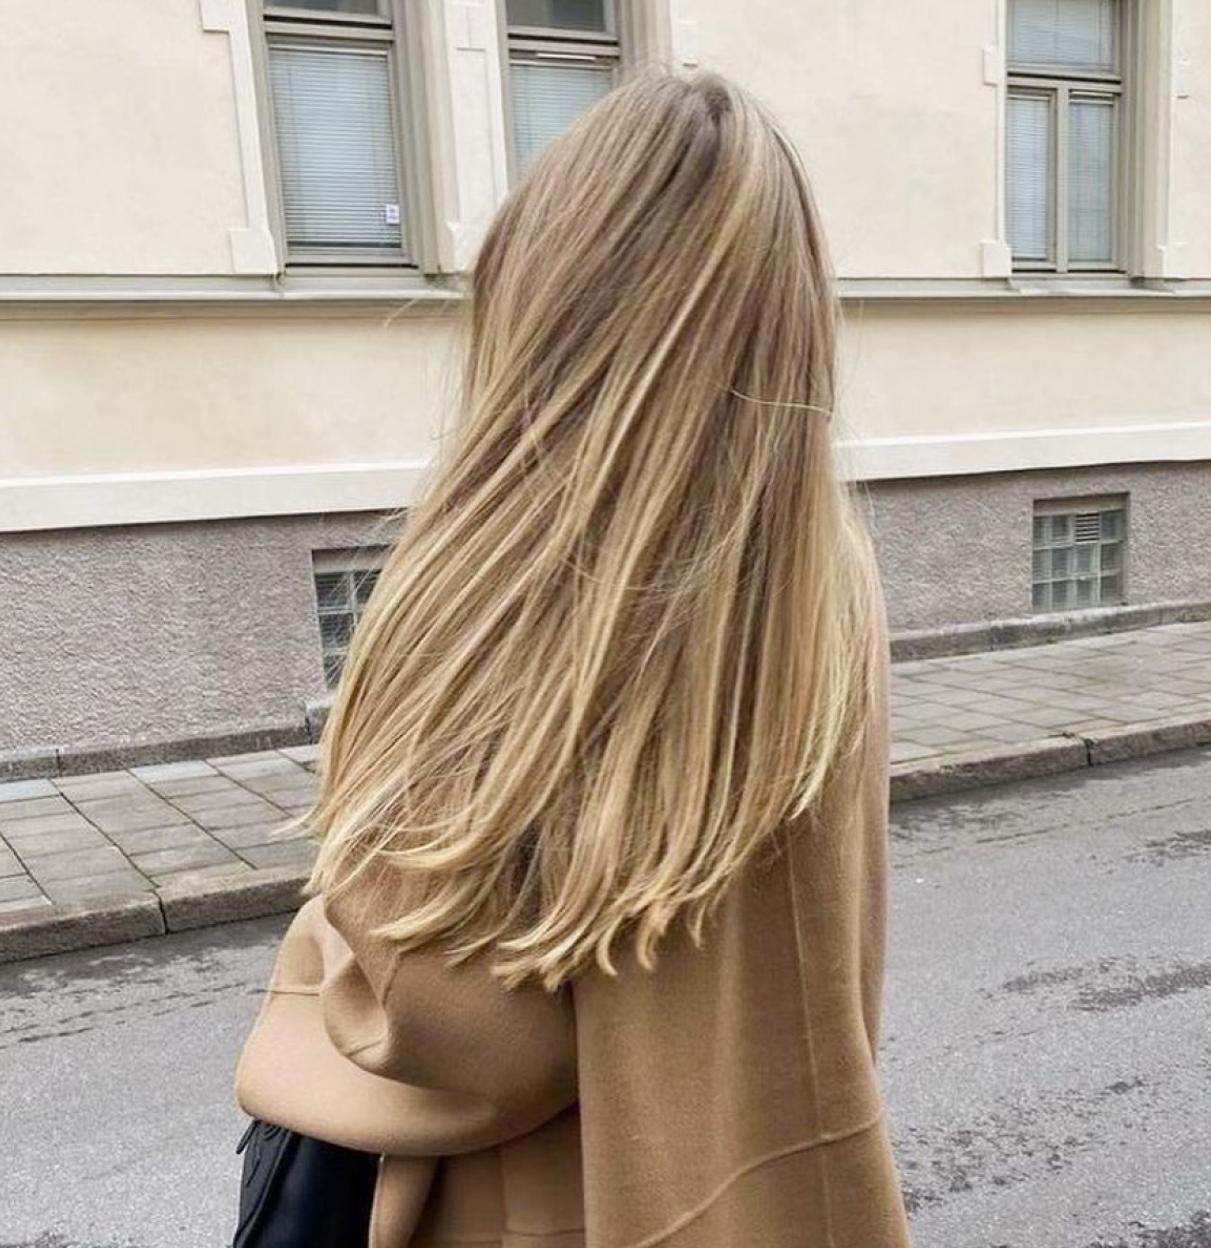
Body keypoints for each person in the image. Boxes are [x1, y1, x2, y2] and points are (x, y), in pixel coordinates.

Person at [235, 69, 911, 1247]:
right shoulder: (825, 583)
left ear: (539, 299)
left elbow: (449, 1024)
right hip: (744, 1195)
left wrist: (322, 947)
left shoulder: (484, 584)